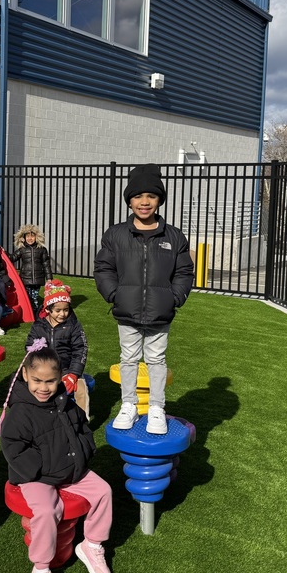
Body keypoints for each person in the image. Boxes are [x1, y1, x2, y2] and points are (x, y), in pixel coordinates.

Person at [0, 343, 113, 573]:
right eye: (37, 380)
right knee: (48, 509)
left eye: (50, 381)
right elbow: (13, 447)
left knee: (104, 491)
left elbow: (82, 427)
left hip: (71, 469)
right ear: (25, 375)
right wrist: (45, 468)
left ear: (59, 378)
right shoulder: (20, 410)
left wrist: (84, 451)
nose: (44, 387)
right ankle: (41, 570)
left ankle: (92, 544)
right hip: (36, 477)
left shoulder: (64, 400)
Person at [93, 164, 195, 435]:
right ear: (129, 200)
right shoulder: (115, 234)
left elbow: (184, 272)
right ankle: (129, 405)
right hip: (126, 310)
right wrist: (114, 294)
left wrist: (174, 298)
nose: (144, 202)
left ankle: (156, 408)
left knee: (156, 360)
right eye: (138, 196)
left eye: (151, 196)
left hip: (160, 313)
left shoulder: (173, 237)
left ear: (159, 199)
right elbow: (104, 268)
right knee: (128, 359)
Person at [25, 279, 90, 417]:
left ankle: (82, 421)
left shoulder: (73, 325)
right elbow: (29, 346)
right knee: (30, 387)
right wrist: (35, 349)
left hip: (67, 369)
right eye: (57, 310)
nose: (62, 314)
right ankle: (37, 417)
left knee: (81, 390)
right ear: (48, 309)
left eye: (66, 310)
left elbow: (81, 349)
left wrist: (74, 374)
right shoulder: (38, 326)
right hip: (46, 369)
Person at [12, 223, 52, 315]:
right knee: (26, 297)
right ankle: (28, 312)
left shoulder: (42, 249)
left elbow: (46, 264)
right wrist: (4, 252)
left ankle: (34, 313)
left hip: (37, 279)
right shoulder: (22, 249)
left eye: (32, 236)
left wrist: (49, 278)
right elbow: (13, 258)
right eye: (28, 236)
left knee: (34, 297)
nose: (30, 239)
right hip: (25, 278)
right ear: (23, 237)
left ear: (37, 237)